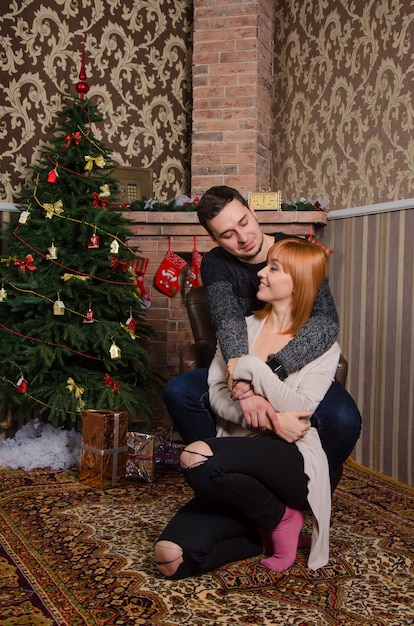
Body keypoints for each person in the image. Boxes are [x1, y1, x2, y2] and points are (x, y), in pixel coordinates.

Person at [154, 238, 340, 579]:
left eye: (273, 268)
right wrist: (268, 417)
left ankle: (284, 517)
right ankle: (268, 524)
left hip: (291, 457)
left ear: (297, 282)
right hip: (237, 451)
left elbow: (301, 410)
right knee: (170, 558)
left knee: (195, 458)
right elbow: (215, 393)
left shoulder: (322, 345)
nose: (261, 275)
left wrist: (255, 369)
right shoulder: (242, 329)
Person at [163, 186, 361, 481]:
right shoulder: (216, 264)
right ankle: (226, 475)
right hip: (240, 365)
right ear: (214, 239)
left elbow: (326, 322)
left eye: (243, 222)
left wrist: (269, 373)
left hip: (298, 367)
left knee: (345, 420)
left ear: (253, 212)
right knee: (178, 391)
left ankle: (295, 483)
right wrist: (245, 382)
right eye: (227, 234)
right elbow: (229, 322)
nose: (243, 238)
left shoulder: (293, 248)